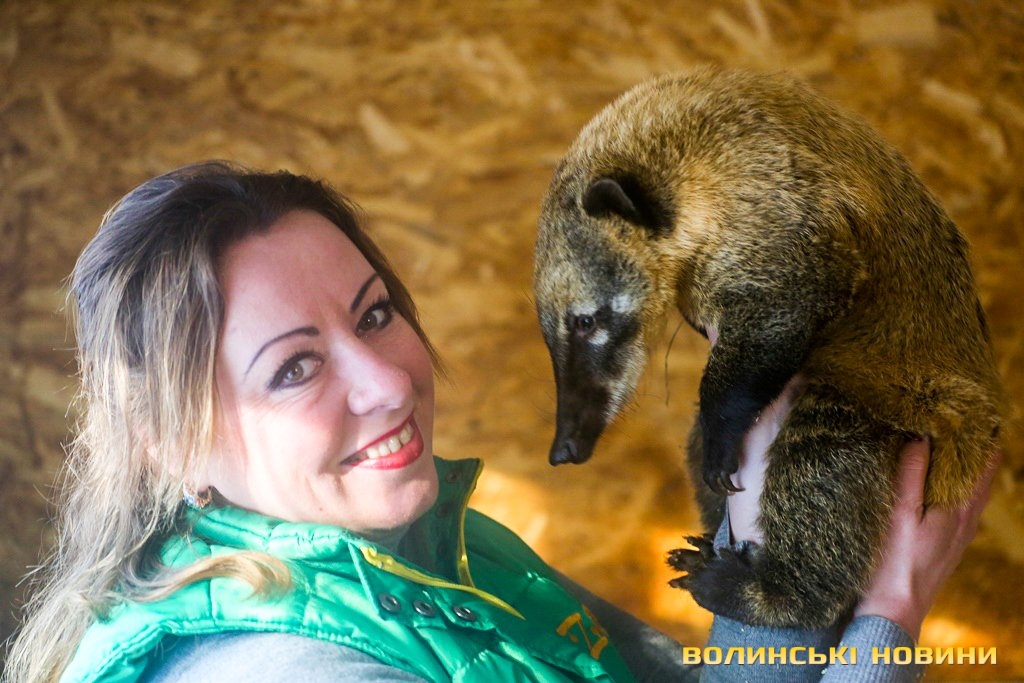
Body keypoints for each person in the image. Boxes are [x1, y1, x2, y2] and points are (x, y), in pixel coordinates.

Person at [3, 161, 998, 683]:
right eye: (294, 367)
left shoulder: (439, 558)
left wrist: (768, 554)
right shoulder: (290, 668)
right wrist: (887, 617)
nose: (388, 383)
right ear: (173, 445)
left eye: (374, 314)